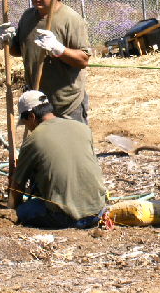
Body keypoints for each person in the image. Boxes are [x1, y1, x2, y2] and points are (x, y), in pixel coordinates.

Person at [0, 0, 91, 123]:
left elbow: (83, 60)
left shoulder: (71, 19)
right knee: (43, 140)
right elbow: (19, 50)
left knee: (71, 139)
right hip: (38, 104)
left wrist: (58, 49)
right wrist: (7, 41)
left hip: (66, 104)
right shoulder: (28, 17)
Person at [8, 90, 106, 228]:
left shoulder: (34, 140)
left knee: (26, 210)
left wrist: (15, 210)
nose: (28, 128)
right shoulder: (82, 128)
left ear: (31, 116)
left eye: (26, 123)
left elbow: (18, 185)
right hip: (97, 211)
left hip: (66, 218)